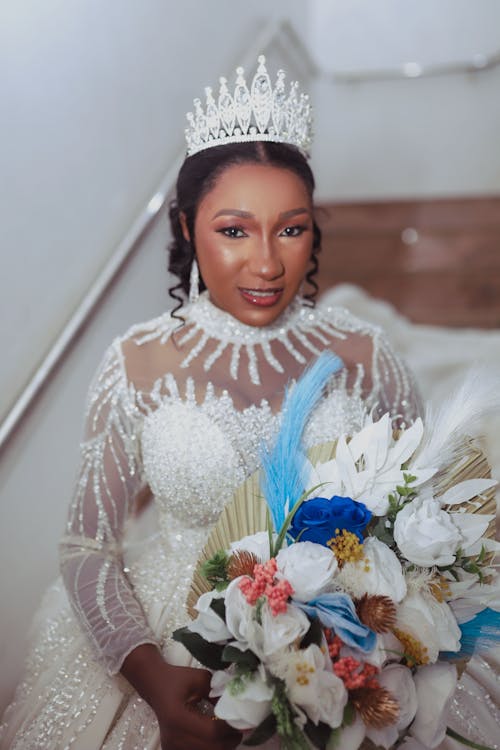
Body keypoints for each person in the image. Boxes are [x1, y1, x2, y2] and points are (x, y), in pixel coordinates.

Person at [1, 55, 474, 750]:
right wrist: (150, 675)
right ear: (189, 227)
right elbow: (86, 545)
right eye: (233, 230)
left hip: (350, 631)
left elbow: (423, 513)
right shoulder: (137, 359)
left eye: (291, 228)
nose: (266, 263)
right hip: (168, 637)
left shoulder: (364, 354)